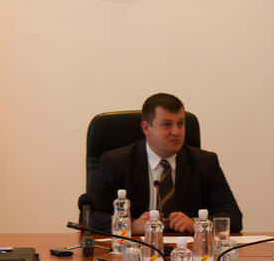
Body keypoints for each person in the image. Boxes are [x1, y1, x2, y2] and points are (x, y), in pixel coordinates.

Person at [90, 93, 243, 234]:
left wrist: (197, 224)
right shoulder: (116, 162)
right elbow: (90, 218)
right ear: (146, 128)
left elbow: (234, 217)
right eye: (167, 125)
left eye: (181, 124)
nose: (176, 132)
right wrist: (131, 225)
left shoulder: (205, 163)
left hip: (187, 249)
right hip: (134, 248)